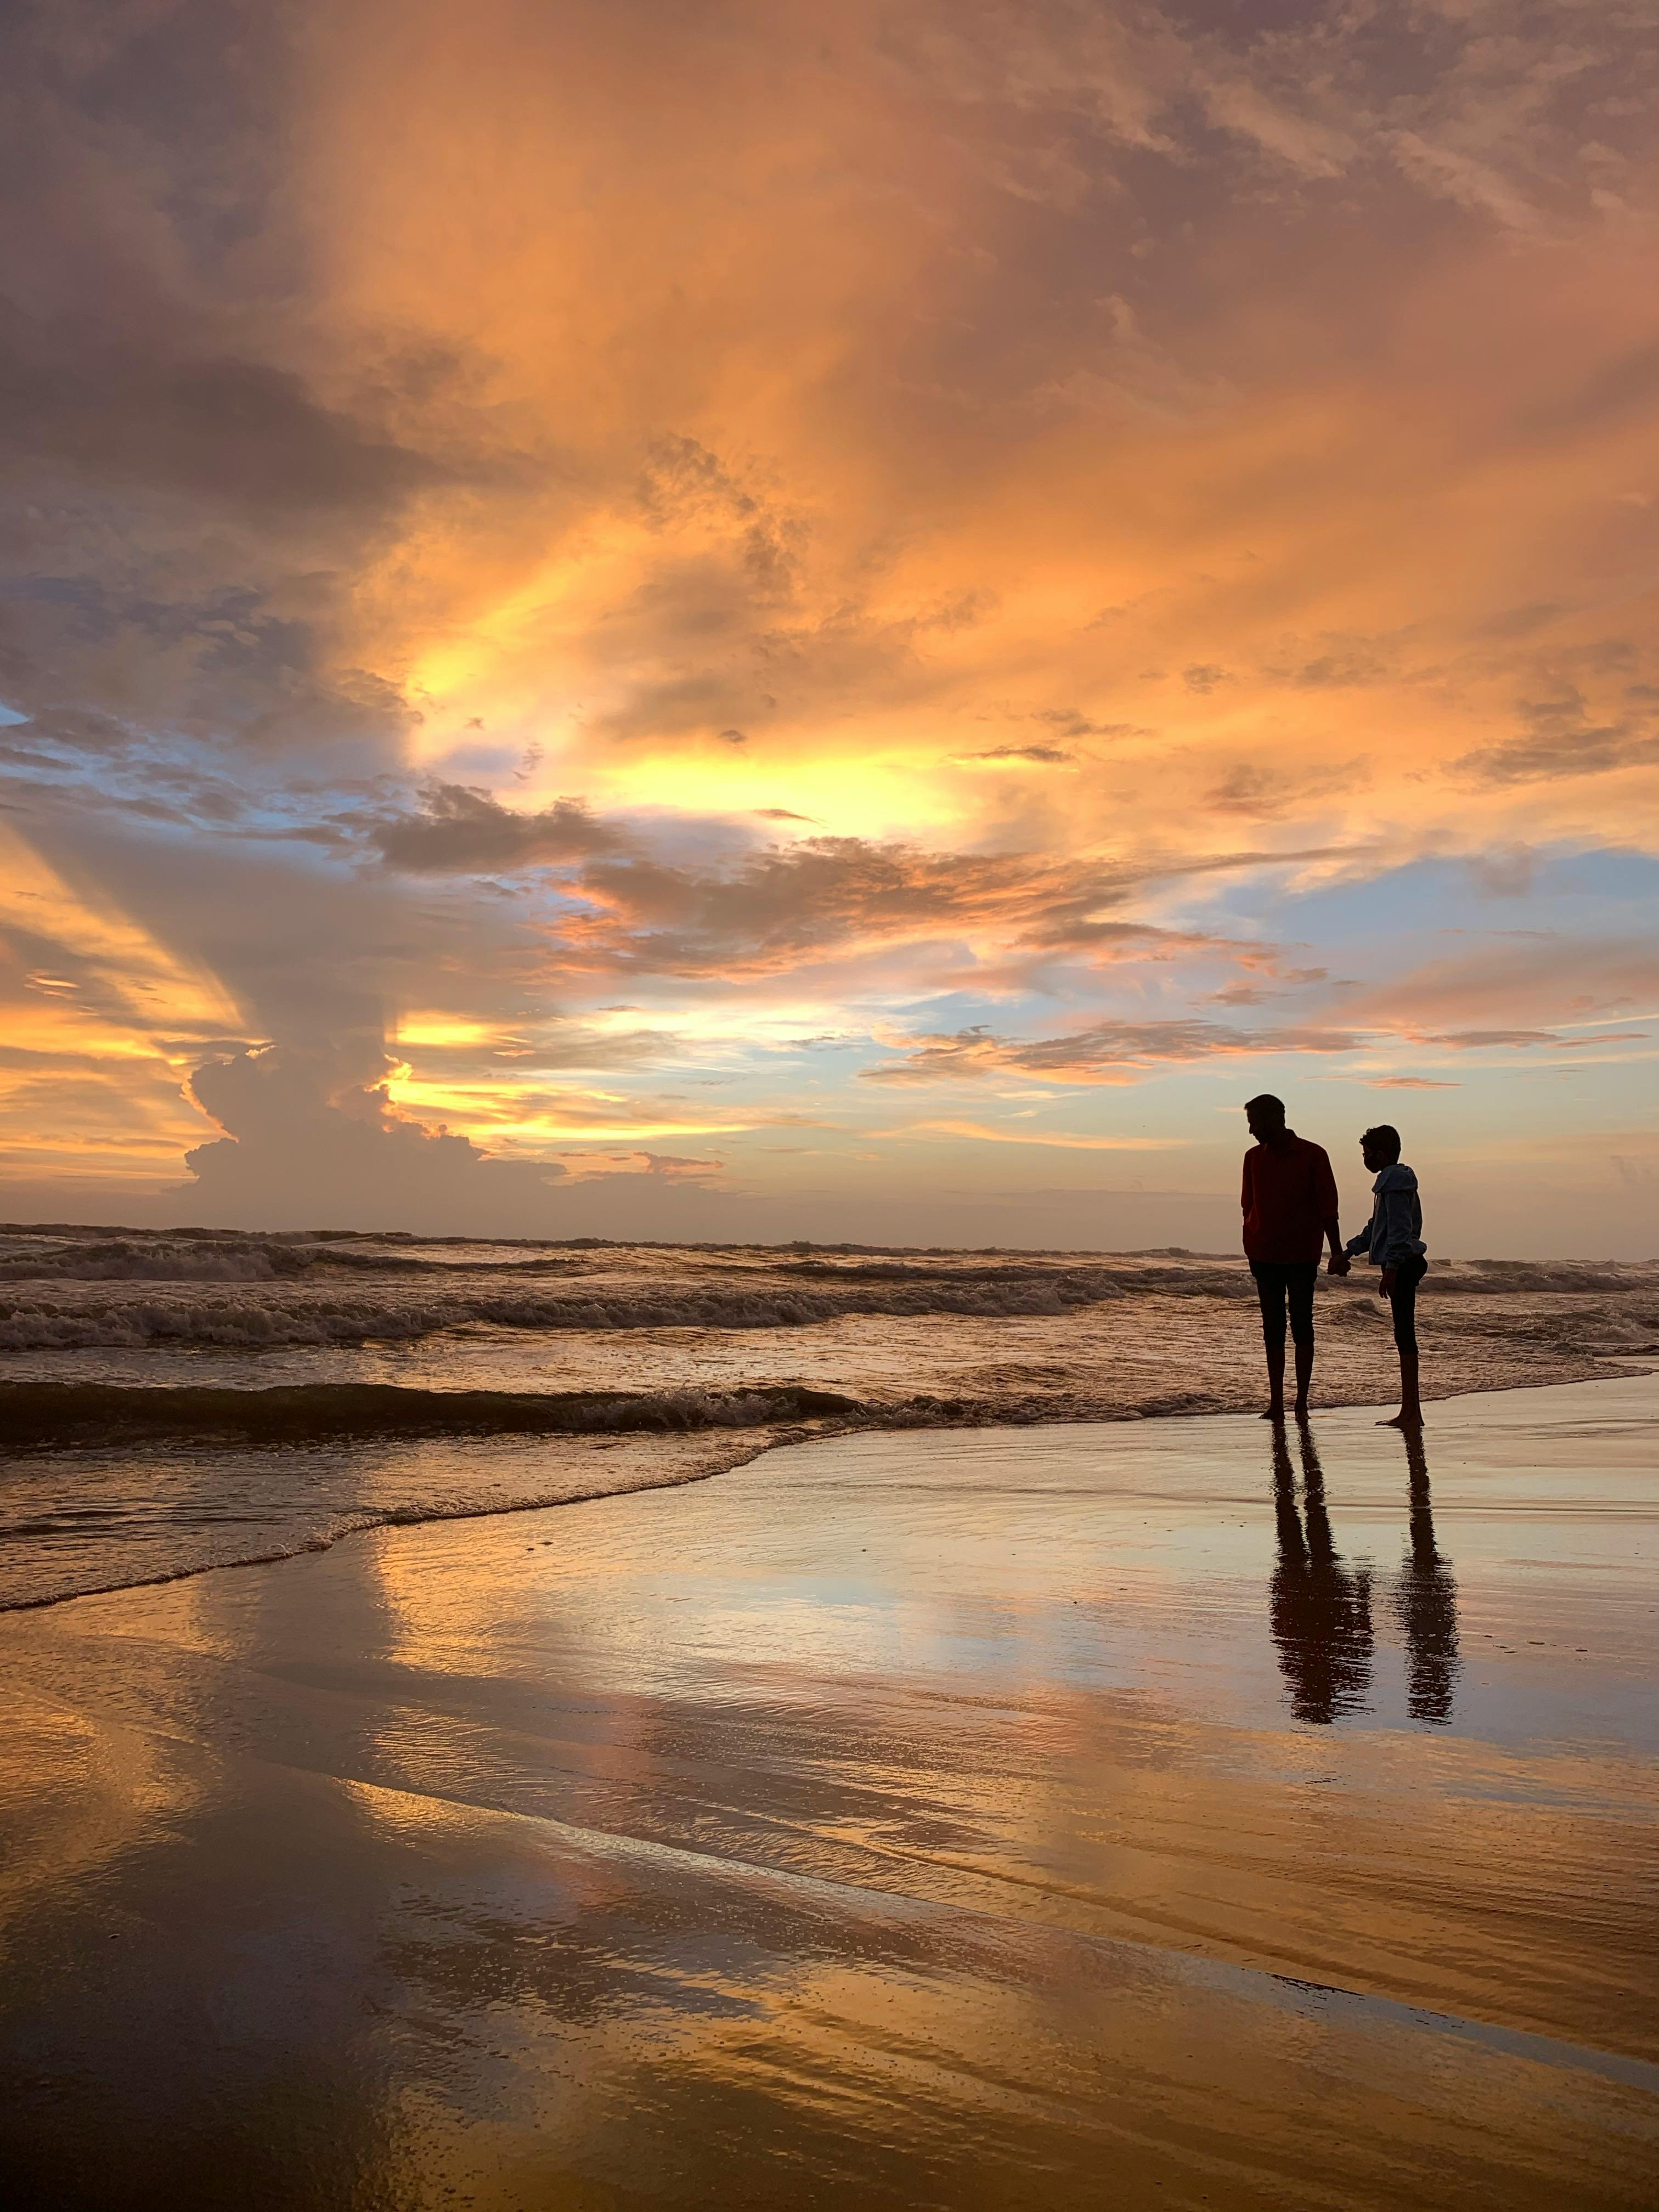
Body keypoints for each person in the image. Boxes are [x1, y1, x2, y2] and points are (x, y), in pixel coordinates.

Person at [1241, 1093, 1348, 1422]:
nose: (1252, 1132)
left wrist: (1337, 1252)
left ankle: (1301, 1402)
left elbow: (1328, 1208)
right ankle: (1276, 1403)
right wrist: (1250, 1240)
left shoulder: (1313, 1155)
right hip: (1264, 1254)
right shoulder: (1252, 1158)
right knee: (1272, 1328)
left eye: (1255, 1124)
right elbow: (1248, 1205)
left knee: (1302, 1325)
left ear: (1274, 1119)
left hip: (1302, 1255)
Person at [1344, 1123, 1428, 1428]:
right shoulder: (1390, 1184)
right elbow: (1376, 1228)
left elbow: (1400, 1232)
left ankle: (1412, 1411)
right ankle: (1410, 1409)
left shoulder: (1393, 1183)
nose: (1365, 1159)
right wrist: (1349, 1251)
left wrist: (1391, 1271)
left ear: (1381, 1154)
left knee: (1405, 1336)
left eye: (1367, 1154)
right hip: (1402, 1264)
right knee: (1403, 1334)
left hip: (1403, 1265)